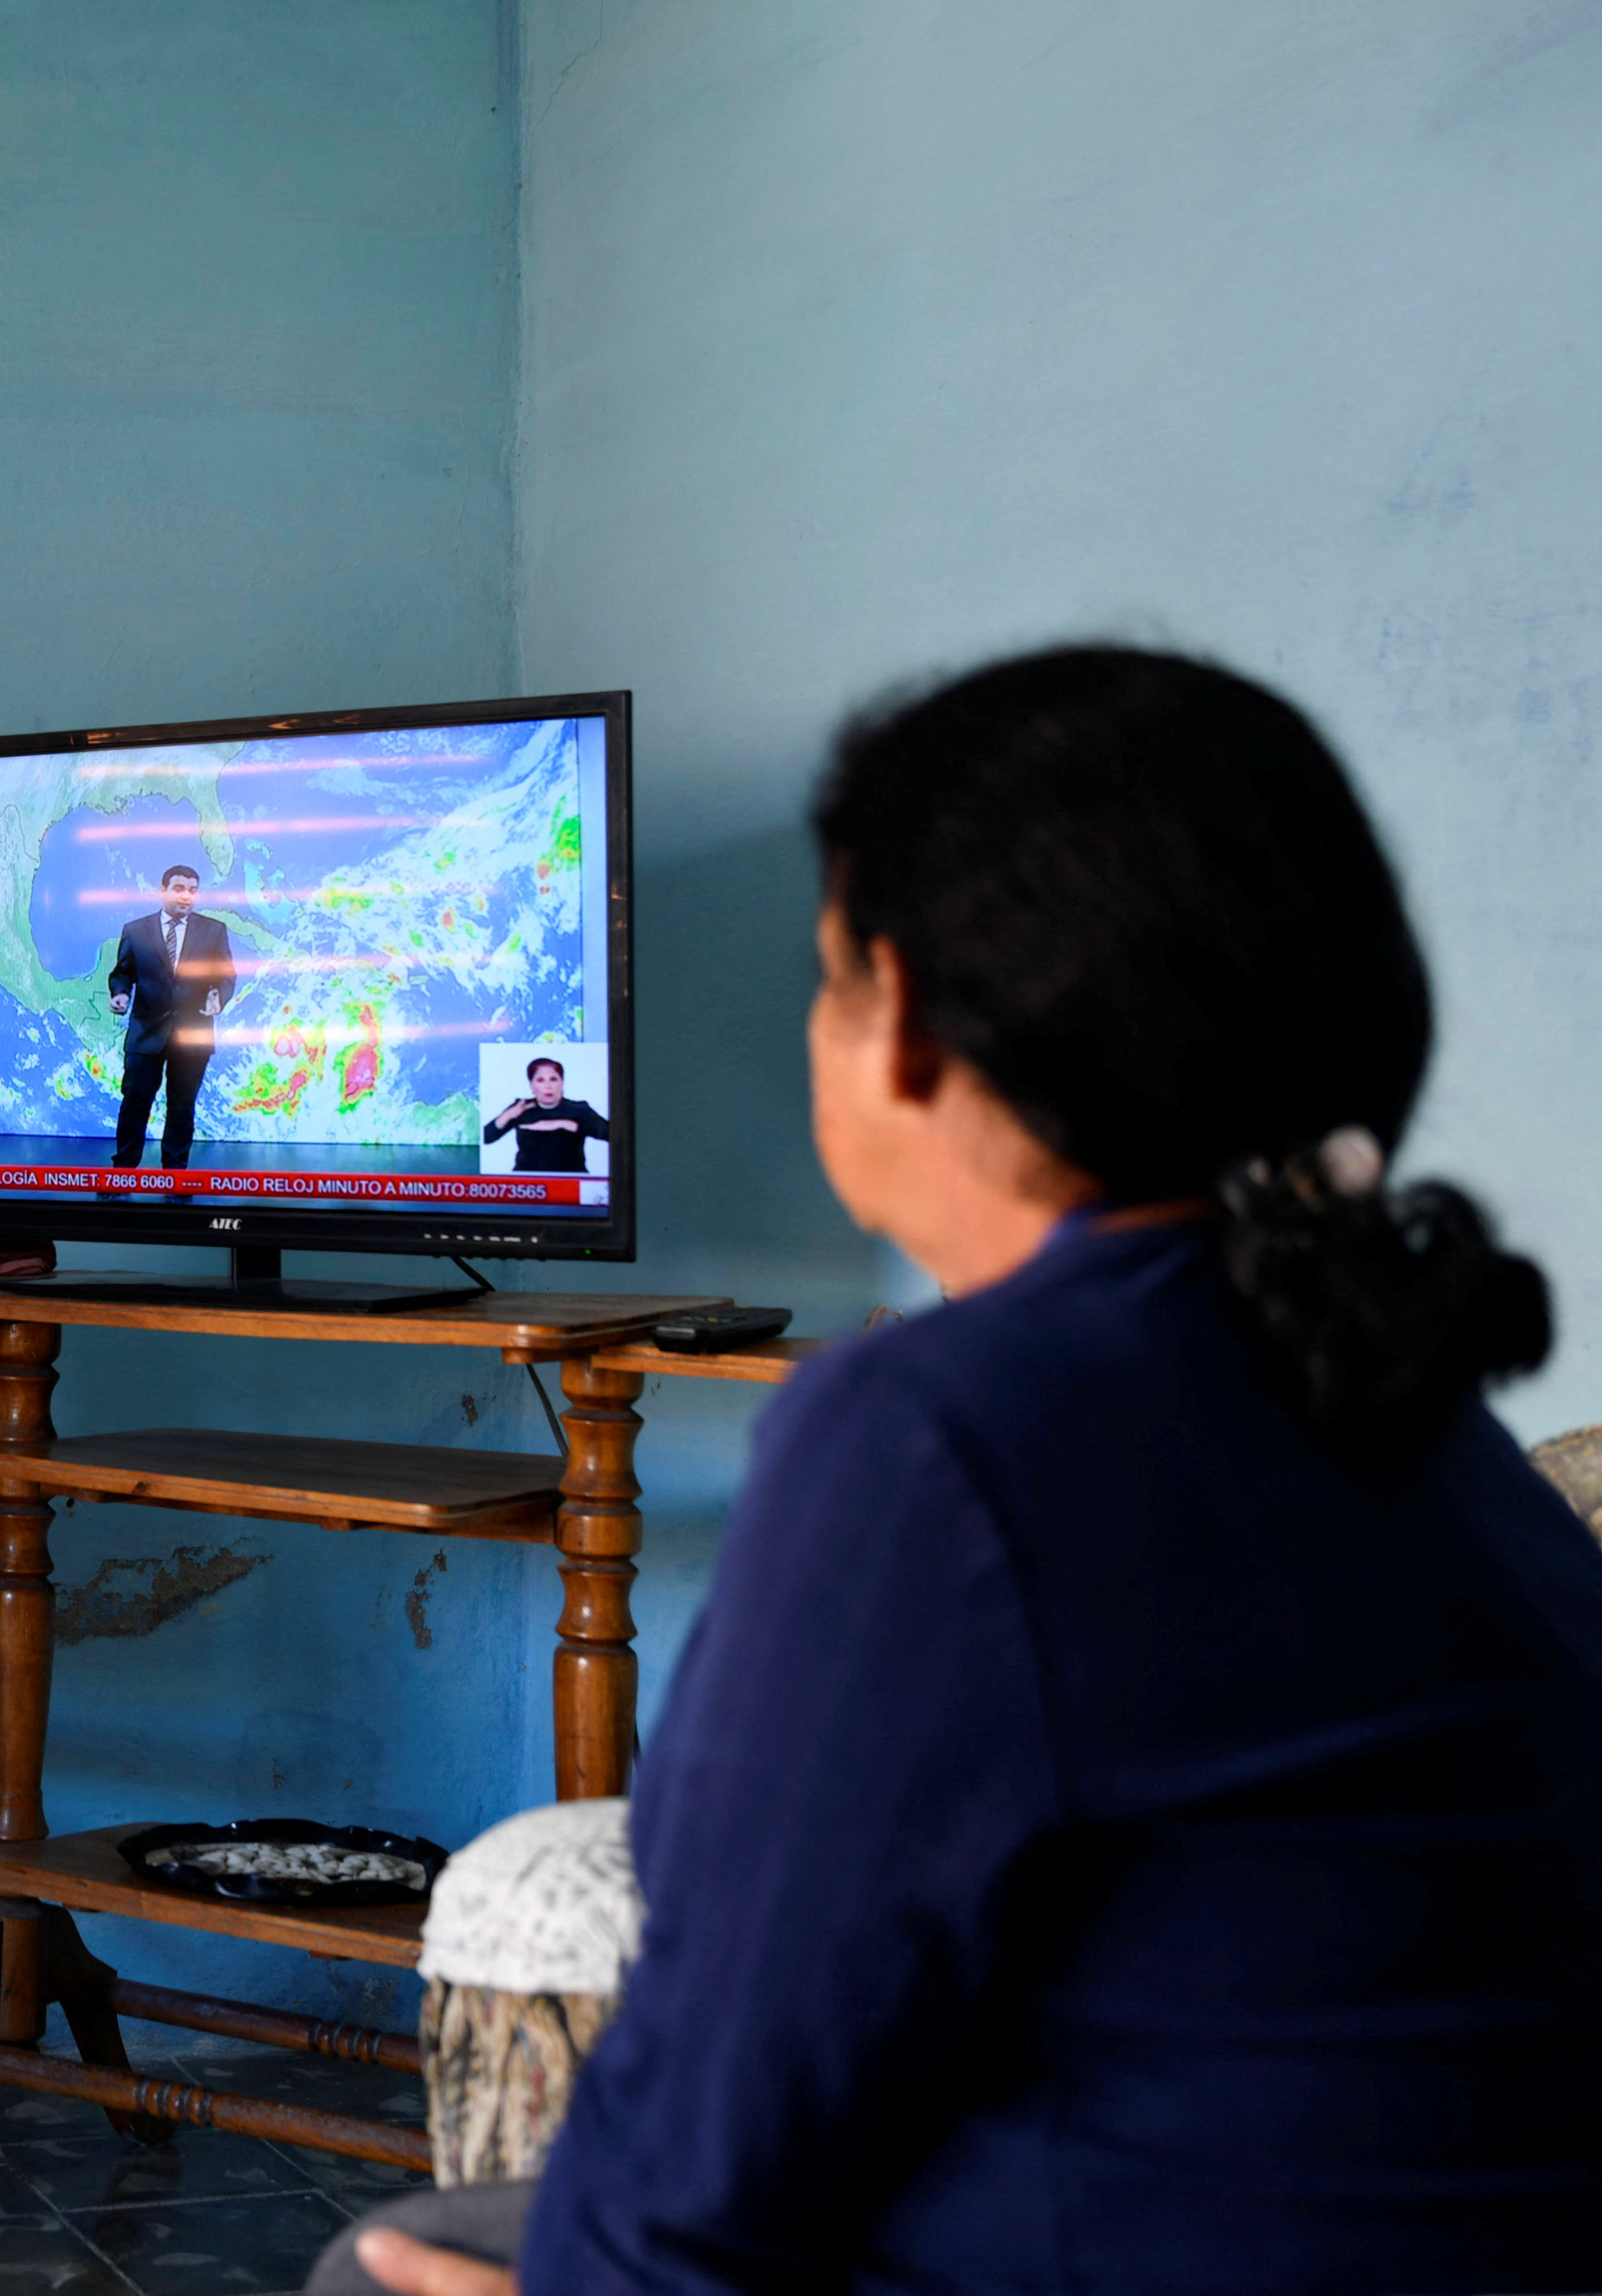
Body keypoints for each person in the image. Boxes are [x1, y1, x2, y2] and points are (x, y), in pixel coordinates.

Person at [314, 647, 1602, 2296]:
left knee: (384, 2262)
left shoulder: (937, 1432)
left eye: (824, 968)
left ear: (900, 1017)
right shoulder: (1405, 1403)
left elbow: (702, 2142)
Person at [106, 863, 237, 1169]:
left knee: (182, 1106)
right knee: (135, 1103)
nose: (187, 897)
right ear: (163, 891)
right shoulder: (136, 931)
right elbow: (123, 972)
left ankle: (175, 1176)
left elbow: (226, 975)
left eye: (193, 891)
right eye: (179, 889)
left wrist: (219, 995)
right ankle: (124, 1169)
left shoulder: (213, 931)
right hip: (146, 1033)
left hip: (194, 1033)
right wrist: (120, 993)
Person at [480, 1057, 610, 1174]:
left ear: (562, 1083)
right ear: (532, 1085)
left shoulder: (578, 1109)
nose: (548, 1086)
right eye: (541, 1080)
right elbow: (485, 1138)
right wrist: (508, 1115)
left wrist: (568, 1125)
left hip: (571, 1182)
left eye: (553, 1080)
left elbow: (610, 1134)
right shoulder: (522, 1108)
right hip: (528, 1185)